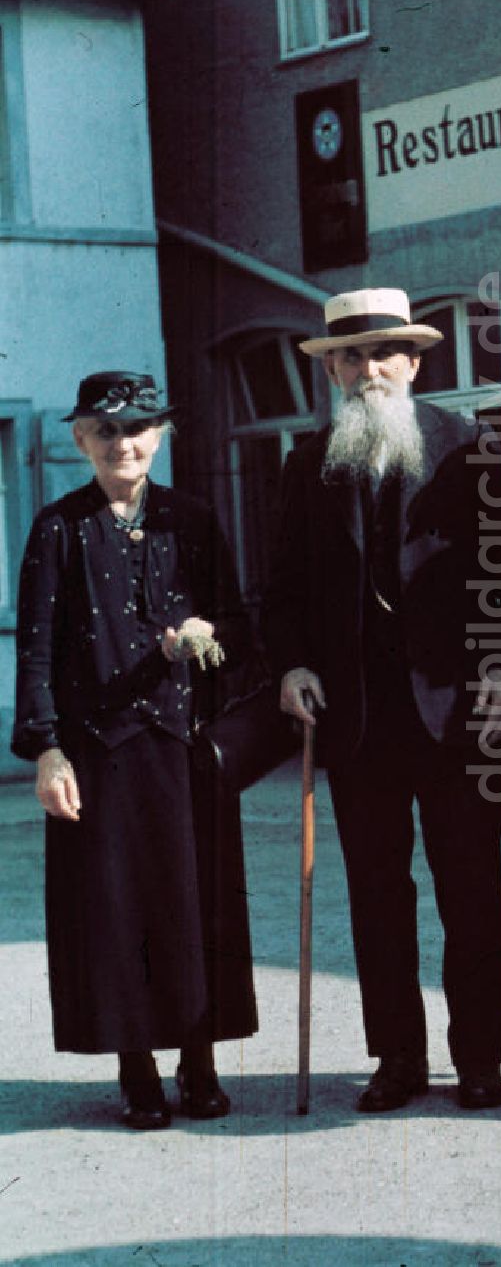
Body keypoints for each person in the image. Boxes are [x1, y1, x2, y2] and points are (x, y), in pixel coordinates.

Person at [264, 288, 501, 1113]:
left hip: (455, 712)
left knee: (471, 889)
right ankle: (397, 1058)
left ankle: (480, 1059)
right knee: (377, 894)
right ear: (335, 369)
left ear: (415, 362)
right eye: (350, 356)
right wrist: (289, 666)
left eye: (384, 352)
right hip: (357, 717)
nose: (367, 369)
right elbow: (282, 586)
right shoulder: (308, 462)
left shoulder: (470, 448)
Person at [12, 371, 258, 1130]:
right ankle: (138, 1068)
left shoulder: (193, 518)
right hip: (100, 754)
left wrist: (208, 636)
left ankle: (200, 1059)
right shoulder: (59, 529)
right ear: (83, 440)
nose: (125, 443)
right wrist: (48, 752)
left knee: (195, 905)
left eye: (140, 429)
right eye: (108, 431)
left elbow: (237, 625)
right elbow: (37, 651)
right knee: (118, 911)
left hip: (186, 745)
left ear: (162, 435)